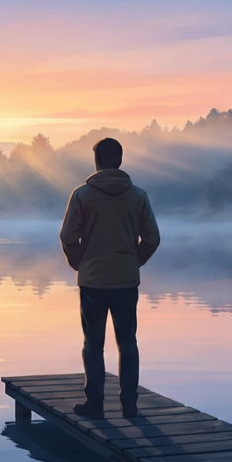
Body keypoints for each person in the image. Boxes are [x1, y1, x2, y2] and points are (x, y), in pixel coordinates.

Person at [59, 138, 160, 419]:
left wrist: (80, 263)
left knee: (93, 345)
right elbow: (152, 238)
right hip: (126, 280)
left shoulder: (82, 195)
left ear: (97, 162)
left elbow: (68, 236)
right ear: (120, 160)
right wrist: (134, 262)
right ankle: (130, 405)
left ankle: (95, 404)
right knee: (128, 344)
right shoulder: (138, 196)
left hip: (92, 281)